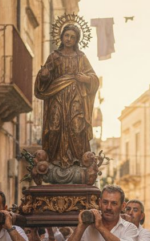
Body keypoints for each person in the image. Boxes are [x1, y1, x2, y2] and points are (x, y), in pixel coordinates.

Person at [35, 24, 99, 167]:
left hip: (76, 98)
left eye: (72, 37)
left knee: (77, 127)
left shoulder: (81, 58)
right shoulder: (54, 56)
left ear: (77, 40)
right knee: (55, 127)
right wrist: (44, 76)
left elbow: (94, 78)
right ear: (62, 37)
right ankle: (55, 160)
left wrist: (86, 79)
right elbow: (45, 77)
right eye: (67, 36)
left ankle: (76, 161)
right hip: (57, 96)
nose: (69, 39)